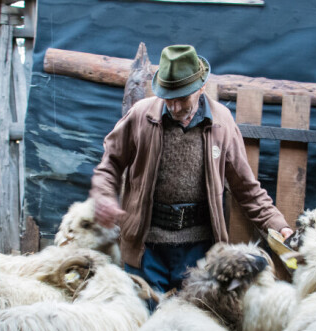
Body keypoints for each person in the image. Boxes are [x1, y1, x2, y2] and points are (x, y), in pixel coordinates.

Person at [89, 44, 293, 296]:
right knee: (145, 322)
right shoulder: (141, 116)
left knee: (194, 322)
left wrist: (278, 225)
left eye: (182, 99)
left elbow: (246, 188)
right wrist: (104, 195)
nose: (174, 107)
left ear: (201, 87)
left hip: (199, 251)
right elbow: (109, 164)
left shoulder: (222, 123)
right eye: (168, 98)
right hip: (146, 248)